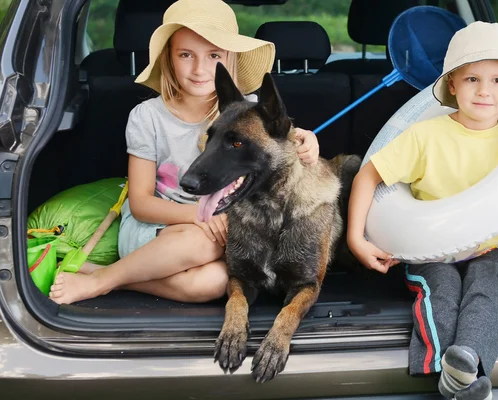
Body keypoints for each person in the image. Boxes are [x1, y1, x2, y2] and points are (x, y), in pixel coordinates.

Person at [347, 22, 498, 400]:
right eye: (472, 78)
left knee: (490, 287)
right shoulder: (425, 136)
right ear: (452, 84)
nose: (485, 90)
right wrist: (356, 238)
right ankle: (453, 375)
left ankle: (466, 362)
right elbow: (367, 176)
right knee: (444, 287)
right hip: (430, 251)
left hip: (493, 251)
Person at [49, 0, 320, 305]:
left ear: (229, 59)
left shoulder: (247, 111)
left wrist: (305, 139)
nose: (200, 69)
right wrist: (199, 217)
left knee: (216, 282)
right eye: (186, 55)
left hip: (221, 233)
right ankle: (101, 281)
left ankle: (113, 276)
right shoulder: (147, 117)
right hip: (156, 227)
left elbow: (279, 140)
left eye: (214, 55)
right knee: (200, 243)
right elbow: (140, 204)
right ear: (169, 58)